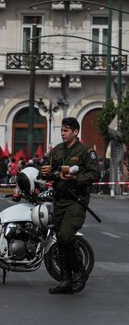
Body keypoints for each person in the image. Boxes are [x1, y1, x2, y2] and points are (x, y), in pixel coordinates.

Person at [40, 117, 100, 294]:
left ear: (75, 132)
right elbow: (50, 173)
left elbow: (95, 174)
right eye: (61, 130)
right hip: (59, 199)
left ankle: (79, 272)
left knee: (66, 235)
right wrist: (46, 172)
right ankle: (65, 279)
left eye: (66, 130)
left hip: (75, 200)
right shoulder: (57, 150)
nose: (62, 133)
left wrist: (76, 178)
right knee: (60, 239)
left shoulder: (85, 151)